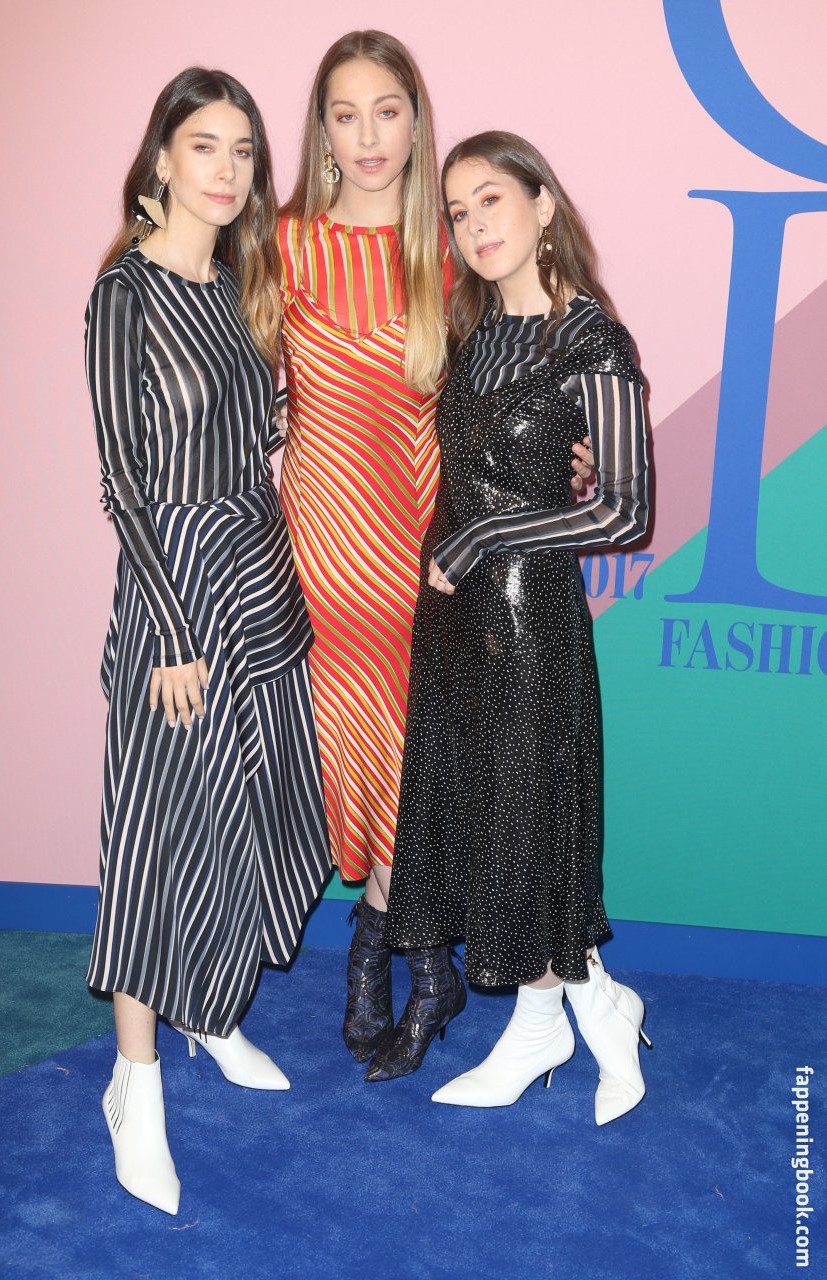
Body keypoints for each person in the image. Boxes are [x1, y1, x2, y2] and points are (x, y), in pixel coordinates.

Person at [277, 33, 595, 1069]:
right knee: (358, 756)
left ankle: (401, 962)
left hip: (432, 550)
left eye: (387, 110)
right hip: (323, 550)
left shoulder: (455, 259)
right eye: (345, 114)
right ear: (322, 132)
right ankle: (417, 960)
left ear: (417, 122)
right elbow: (234, 386)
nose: (368, 135)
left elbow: (524, 383)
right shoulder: (280, 246)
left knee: (426, 759)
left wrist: (575, 452)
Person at [84, 67, 331, 1214]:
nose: (226, 170)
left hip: (257, 572)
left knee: (248, 804)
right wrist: (173, 633)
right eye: (204, 146)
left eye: (242, 151)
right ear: (161, 160)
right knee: (155, 829)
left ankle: (210, 1007)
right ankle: (133, 1081)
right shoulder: (123, 292)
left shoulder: (239, 289)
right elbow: (125, 482)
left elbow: (268, 434)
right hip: (173, 591)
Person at [378, 131, 653, 1124]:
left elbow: (623, 508)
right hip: (454, 623)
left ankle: (557, 1017)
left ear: (543, 204)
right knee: (483, 823)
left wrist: (492, 532)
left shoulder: (591, 340)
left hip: (531, 624)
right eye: (456, 212)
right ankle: (576, 1007)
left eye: (489, 199)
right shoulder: (471, 332)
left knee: (524, 826)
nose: (472, 225)